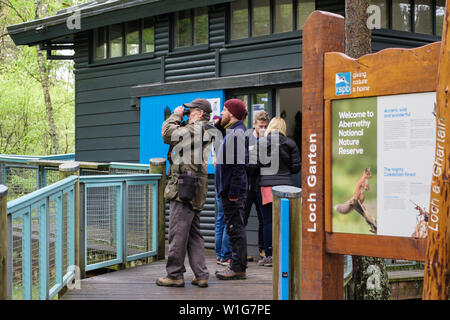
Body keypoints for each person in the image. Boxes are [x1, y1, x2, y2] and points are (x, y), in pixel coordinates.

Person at [156, 98, 213, 288]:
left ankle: (174, 275)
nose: (187, 113)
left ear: (201, 113)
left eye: (191, 111)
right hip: (194, 186)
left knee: (177, 232)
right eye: (187, 111)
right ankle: (201, 274)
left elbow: (168, 135)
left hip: (185, 187)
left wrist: (175, 116)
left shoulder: (198, 128)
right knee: (194, 233)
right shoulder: (203, 129)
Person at [257, 117, 301, 267]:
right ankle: (287, 255)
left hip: (267, 186)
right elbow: (296, 168)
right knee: (286, 221)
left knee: (268, 221)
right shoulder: (290, 143)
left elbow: (253, 166)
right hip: (286, 186)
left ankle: (269, 255)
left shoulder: (261, 143)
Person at [214, 99, 249, 280]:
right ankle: (237, 265)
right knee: (233, 228)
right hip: (228, 191)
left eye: (224, 109)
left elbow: (238, 165)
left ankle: (237, 267)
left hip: (232, 193)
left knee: (235, 229)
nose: (221, 112)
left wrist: (234, 193)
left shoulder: (237, 133)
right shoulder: (234, 131)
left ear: (232, 113)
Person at [243, 111, 269, 260]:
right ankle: (242, 251)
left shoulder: (268, 140)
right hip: (247, 184)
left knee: (262, 219)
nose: (263, 129)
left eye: (265, 126)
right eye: (260, 126)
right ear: (254, 124)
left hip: (261, 184)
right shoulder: (247, 138)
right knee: (243, 218)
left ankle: (263, 249)